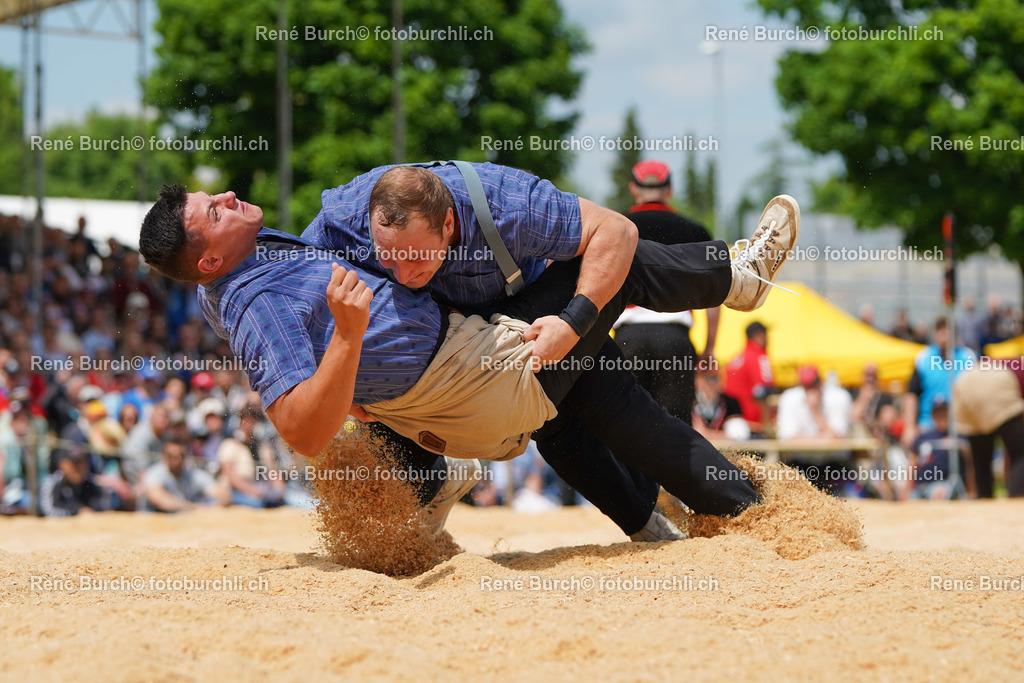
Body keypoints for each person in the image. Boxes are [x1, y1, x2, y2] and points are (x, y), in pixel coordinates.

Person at [138, 182, 800, 539]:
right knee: (601, 276)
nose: (224, 195)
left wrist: (357, 366)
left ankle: (731, 509)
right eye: (212, 211)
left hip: (466, 372)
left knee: (590, 395)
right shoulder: (254, 301)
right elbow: (303, 431)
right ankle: (735, 276)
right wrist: (346, 338)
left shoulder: (252, 267)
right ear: (209, 261)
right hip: (471, 378)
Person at [612, 159, 721, 425]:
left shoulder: (615, 227)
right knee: (676, 431)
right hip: (675, 339)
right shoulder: (696, 231)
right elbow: (715, 299)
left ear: (634, 189)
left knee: (624, 427)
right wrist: (709, 349)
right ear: (669, 190)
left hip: (629, 339)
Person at [901, 317, 976, 450]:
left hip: (960, 426)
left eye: (947, 330)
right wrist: (909, 427)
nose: (944, 335)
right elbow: (912, 394)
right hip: (928, 426)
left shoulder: (968, 357)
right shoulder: (923, 358)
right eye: (940, 331)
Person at [953, 363, 1024, 497]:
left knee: (980, 458)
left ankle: (984, 496)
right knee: (1020, 454)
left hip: (965, 381)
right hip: (996, 382)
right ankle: (1018, 496)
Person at [141, 439, 229, 512]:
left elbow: (222, 494)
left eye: (181, 456)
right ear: (164, 457)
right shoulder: (154, 474)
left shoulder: (192, 474)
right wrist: (195, 507)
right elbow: (158, 499)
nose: (177, 460)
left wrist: (212, 506)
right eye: (172, 456)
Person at [724, 321, 775, 434]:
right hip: (756, 425)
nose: (768, 338)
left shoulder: (735, 359)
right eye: (765, 333)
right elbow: (763, 391)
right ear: (758, 335)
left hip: (734, 424)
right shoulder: (759, 356)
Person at [39, 445, 113, 516]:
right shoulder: (52, 483)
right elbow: (48, 510)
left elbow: (104, 507)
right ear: (62, 465)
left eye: (81, 463)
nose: (78, 468)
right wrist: (78, 511)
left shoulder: (93, 483)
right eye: (74, 464)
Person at [691, 368, 748, 441]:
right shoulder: (688, 402)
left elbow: (739, 435)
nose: (713, 382)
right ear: (697, 380)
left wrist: (706, 434)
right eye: (708, 378)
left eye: (715, 377)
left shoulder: (730, 402)